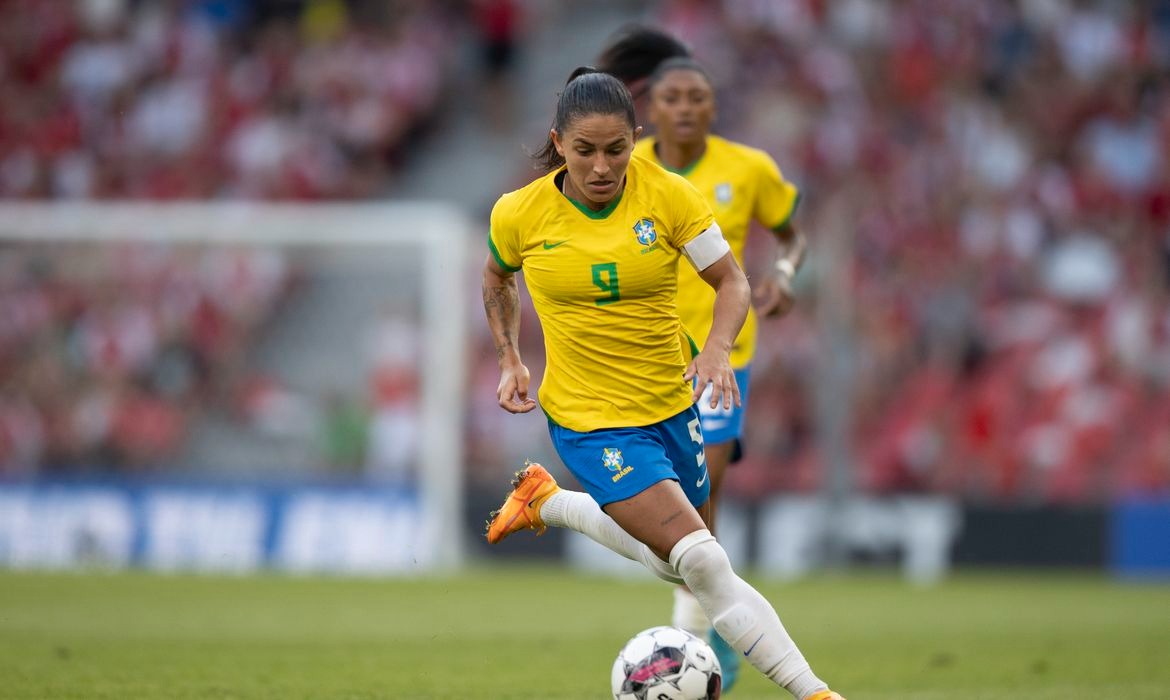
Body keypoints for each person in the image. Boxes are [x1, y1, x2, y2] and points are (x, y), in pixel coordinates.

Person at [482, 67, 843, 700]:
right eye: (585, 150)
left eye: (616, 149)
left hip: (673, 405)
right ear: (557, 143)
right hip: (589, 419)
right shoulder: (520, 212)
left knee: (686, 563)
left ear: (634, 139)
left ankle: (550, 502)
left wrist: (719, 350)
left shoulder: (669, 196)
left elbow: (731, 282)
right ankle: (815, 692)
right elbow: (496, 279)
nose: (601, 166)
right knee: (703, 559)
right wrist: (511, 357)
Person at [598, 30, 809, 691]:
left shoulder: (747, 169)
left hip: (721, 358)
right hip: (643, 358)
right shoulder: (624, 171)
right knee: (667, 507)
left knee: (702, 492)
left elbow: (792, 232)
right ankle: (709, 613)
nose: (686, 108)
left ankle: (698, 632)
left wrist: (784, 272)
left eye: (699, 98)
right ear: (650, 110)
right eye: (672, 98)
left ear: (714, 109)